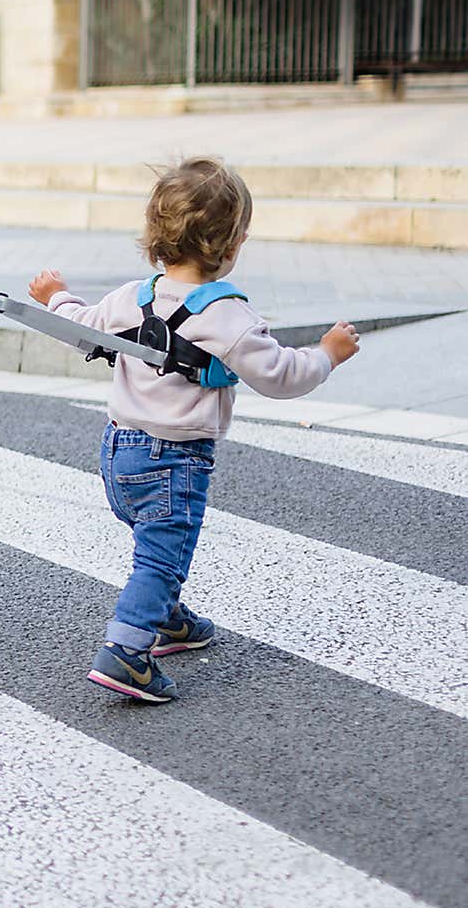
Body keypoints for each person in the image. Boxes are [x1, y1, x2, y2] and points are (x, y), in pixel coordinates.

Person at [28, 157, 360, 705]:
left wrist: (56, 296)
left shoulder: (132, 296)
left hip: (117, 454)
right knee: (161, 555)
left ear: (155, 237)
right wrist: (328, 353)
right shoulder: (226, 315)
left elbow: (78, 324)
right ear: (231, 247)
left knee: (158, 545)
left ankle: (170, 621)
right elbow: (281, 376)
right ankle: (127, 653)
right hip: (173, 460)